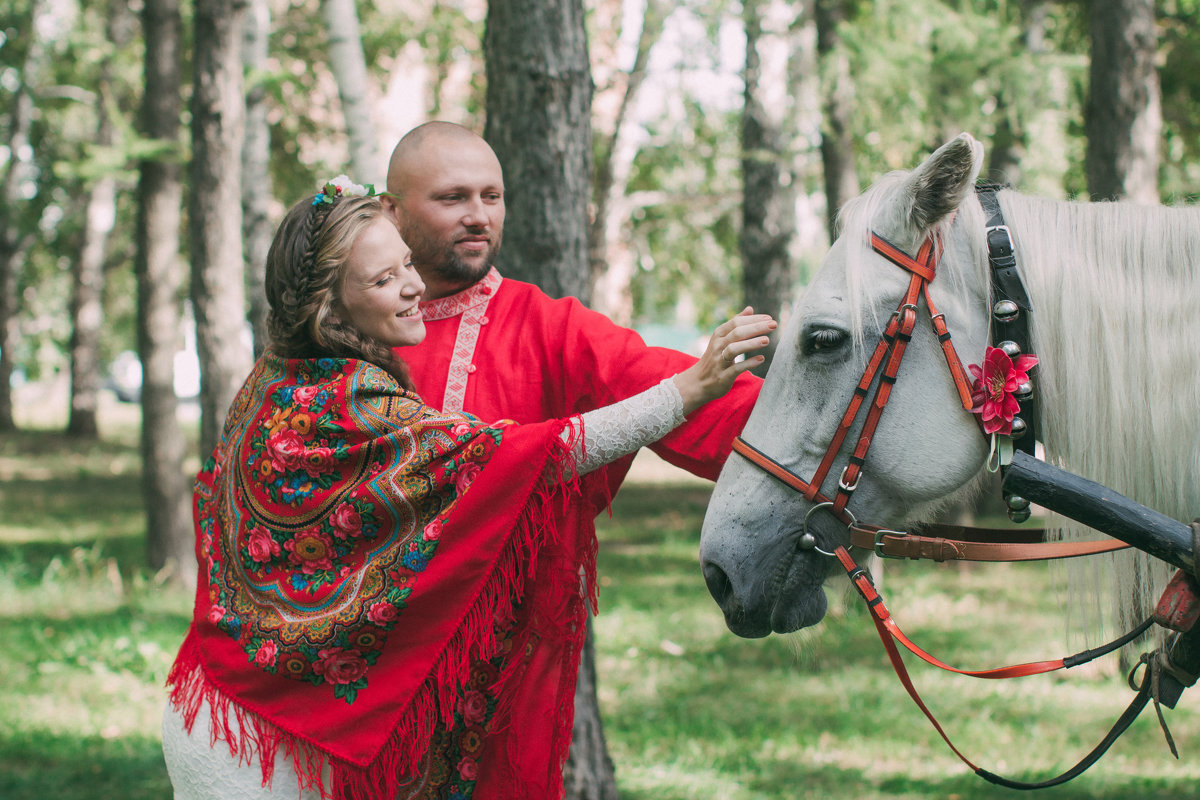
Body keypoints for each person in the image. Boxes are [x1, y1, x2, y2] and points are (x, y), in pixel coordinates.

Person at [161, 177, 776, 800]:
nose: (413, 287)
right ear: (329, 307)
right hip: (259, 742)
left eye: (405, 263)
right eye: (383, 280)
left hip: (229, 702)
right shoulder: (347, 404)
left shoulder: (277, 377)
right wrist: (688, 390)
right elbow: (526, 459)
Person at [382, 121, 767, 798]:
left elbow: (669, 387)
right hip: (360, 667)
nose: (478, 215)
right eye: (452, 198)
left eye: (491, 196)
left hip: (500, 677)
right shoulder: (351, 329)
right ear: (391, 211)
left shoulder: (547, 327)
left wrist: (840, 419)